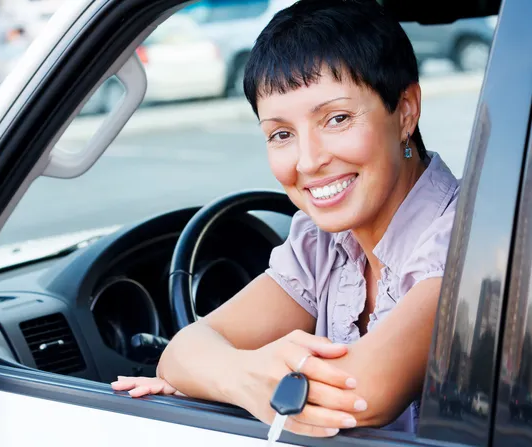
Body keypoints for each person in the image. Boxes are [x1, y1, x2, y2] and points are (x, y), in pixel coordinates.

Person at [112, 0, 459, 438]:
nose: (309, 161)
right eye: (281, 134)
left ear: (406, 110)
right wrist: (243, 377)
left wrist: (227, 376)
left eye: (336, 118)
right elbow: (180, 353)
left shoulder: (468, 233)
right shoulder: (320, 242)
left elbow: (360, 392)